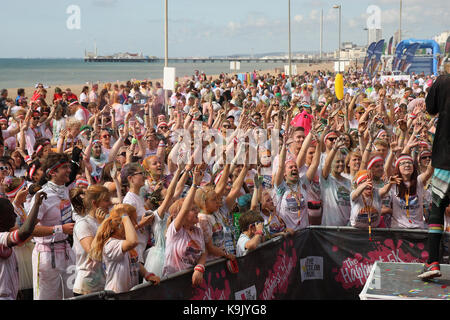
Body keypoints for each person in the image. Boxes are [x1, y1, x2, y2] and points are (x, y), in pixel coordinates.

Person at [29, 153, 76, 300]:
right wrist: (59, 229)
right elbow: (30, 230)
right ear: (52, 172)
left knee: (69, 296)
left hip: (67, 252)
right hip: (47, 256)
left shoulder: (65, 190)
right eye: (65, 167)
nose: (69, 170)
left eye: (69, 166)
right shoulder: (43, 195)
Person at [419, 74, 450, 280]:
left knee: (437, 209)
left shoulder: (444, 81)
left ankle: (432, 261)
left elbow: (430, 108)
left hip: (446, 158)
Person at [89, 204, 160, 293]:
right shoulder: (111, 244)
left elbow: (135, 262)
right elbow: (133, 242)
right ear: (123, 223)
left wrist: (147, 275)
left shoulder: (124, 240)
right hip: (116, 295)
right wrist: (124, 215)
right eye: (133, 221)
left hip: (128, 294)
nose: (136, 224)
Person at [162, 165, 207, 287]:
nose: (197, 210)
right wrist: (194, 185)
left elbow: (203, 252)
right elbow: (185, 207)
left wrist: (199, 267)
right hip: (172, 283)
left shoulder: (198, 231)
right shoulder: (175, 230)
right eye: (193, 209)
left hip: (191, 284)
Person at [0, 192, 46, 300]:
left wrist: (16, 290)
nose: (15, 216)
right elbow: (24, 232)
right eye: (11, 213)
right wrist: (36, 205)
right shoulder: (2, 238)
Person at [72, 185, 111, 296]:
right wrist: (102, 226)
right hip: (87, 286)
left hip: (103, 283)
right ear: (95, 203)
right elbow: (93, 252)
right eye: (106, 200)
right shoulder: (83, 224)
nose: (110, 203)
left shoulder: (104, 221)